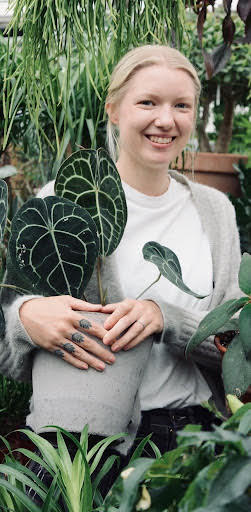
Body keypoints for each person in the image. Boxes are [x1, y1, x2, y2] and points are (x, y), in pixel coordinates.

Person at [0, 45, 242, 499]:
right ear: (113, 109)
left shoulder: (215, 212)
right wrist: (26, 320)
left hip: (193, 439)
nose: (165, 120)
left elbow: (236, 342)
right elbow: (7, 355)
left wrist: (167, 317)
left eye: (181, 105)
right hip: (81, 447)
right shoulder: (59, 204)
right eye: (148, 102)